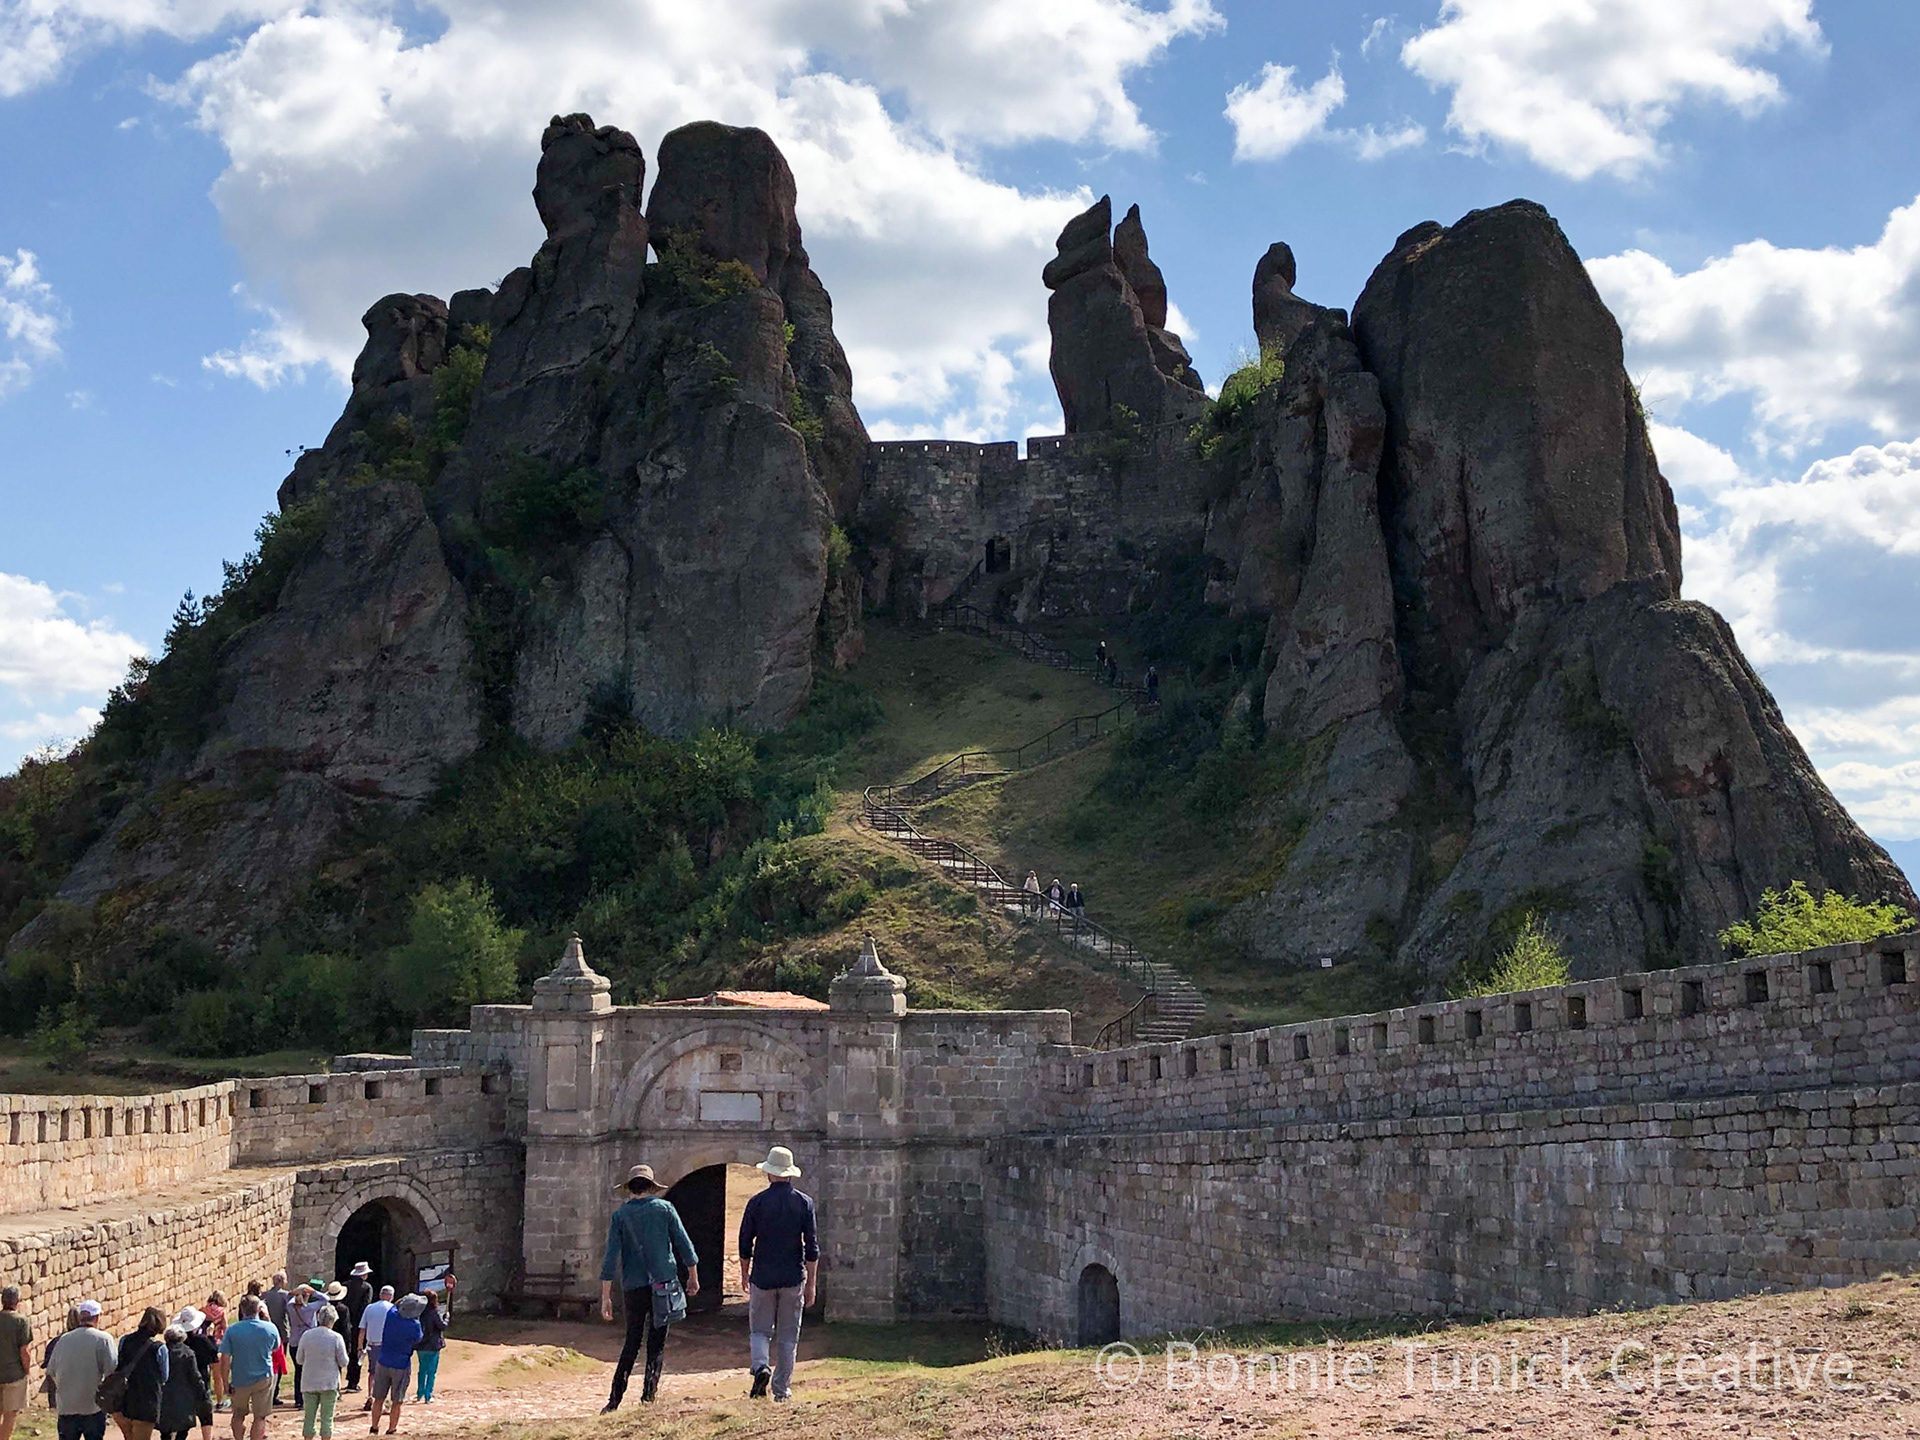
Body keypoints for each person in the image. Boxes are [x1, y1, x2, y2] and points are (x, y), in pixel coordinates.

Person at [598, 1163, 699, 1412]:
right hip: (663, 1284)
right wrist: (693, 1276)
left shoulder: (620, 1216)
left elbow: (611, 1258)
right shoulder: (665, 1209)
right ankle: (648, 1397)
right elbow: (684, 1244)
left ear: (629, 1189)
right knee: (657, 1343)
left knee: (631, 1342)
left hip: (634, 1287)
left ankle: (614, 1399)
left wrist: (605, 1296)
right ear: (652, 1187)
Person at [738, 1145, 819, 1403]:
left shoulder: (757, 1203)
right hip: (792, 1276)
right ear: (790, 1174)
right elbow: (812, 1248)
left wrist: (744, 1273)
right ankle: (782, 1390)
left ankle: (760, 1366)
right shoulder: (804, 1203)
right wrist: (811, 1285)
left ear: (770, 1173)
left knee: (760, 1330)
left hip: (763, 1275)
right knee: (787, 1336)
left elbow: (744, 1242)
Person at [48, 1299, 116, 1440]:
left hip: (67, 1406)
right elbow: (111, 1370)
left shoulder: (63, 1340)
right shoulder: (103, 1339)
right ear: (97, 1317)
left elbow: (52, 1370)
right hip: (93, 1406)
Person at [216, 1295, 277, 1440]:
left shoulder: (232, 1330)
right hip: (263, 1376)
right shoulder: (269, 1328)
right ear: (258, 1309)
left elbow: (225, 1358)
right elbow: (275, 1347)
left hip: (240, 1377)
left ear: (242, 1310)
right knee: (260, 1416)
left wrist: (225, 1383)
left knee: (238, 1414)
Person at [367, 1296, 423, 1437]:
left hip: (383, 1360)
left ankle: (374, 1427)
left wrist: (404, 1300)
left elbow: (395, 1304)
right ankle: (391, 1429)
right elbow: (418, 1339)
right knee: (397, 1401)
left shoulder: (391, 1315)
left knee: (378, 1398)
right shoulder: (414, 1325)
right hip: (401, 1364)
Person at [112, 1306, 169, 1440]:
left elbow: (119, 1364)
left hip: (124, 1400)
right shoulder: (159, 1348)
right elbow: (164, 1376)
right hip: (147, 1402)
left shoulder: (125, 1340)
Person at [292, 1305, 346, 1440]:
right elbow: (343, 1362)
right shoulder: (336, 1337)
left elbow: (299, 1359)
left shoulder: (307, 1335)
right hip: (329, 1383)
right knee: (327, 1418)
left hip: (309, 1381)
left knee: (309, 1417)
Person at [169, 1311, 215, 1440]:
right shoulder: (202, 1341)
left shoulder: (176, 1346)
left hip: (181, 1386)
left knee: (183, 1420)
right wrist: (210, 1336)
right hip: (201, 1381)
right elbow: (214, 1357)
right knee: (205, 1415)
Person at [157, 1324, 207, 1440]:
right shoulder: (188, 1353)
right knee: (183, 1428)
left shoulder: (162, 1352)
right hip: (184, 1395)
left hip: (164, 1395)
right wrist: (202, 1392)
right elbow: (195, 1376)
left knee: (165, 1429)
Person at [354, 1289, 393, 1413]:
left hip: (372, 1344)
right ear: (391, 1297)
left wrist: (360, 1346)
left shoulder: (370, 1308)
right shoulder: (392, 1309)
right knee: (387, 1372)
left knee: (373, 1371)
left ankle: (371, 1395)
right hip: (387, 1344)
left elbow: (362, 1329)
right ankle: (385, 1399)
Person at [0, 1285, 31, 1440]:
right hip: (14, 1375)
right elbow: (24, 1351)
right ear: (17, 1301)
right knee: (10, 1415)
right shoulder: (21, 1321)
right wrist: (26, 1371)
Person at [260, 1277, 291, 1410]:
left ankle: (266, 1393)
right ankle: (274, 1393)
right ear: (282, 1281)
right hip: (281, 1332)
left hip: (265, 1332)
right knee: (278, 1362)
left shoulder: (265, 1295)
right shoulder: (285, 1295)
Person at [341, 1266, 372, 1395]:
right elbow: (365, 1305)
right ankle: (353, 1382)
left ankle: (347, 1379)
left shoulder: (345, 1285)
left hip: (345, 1322)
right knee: (358, 1352)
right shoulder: (366, 1288)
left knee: (346, 1350)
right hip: (359, 1323)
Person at [411, 1295, 445, 1405]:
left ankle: (420, 1393)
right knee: (431, 1371)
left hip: (421, 1345)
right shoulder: (434, 1312)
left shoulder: (419, 1312)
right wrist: (446, 1317)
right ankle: (428, 1395)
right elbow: (442, 1326)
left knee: (422, 1370)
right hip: (433, 1345)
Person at [285, 1286, 313, 1408]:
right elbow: (325, 1299)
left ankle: (298, 1399)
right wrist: (313, 1291)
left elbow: (287, 1298)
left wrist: (294, 1292)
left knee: (298, 1371)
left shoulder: (291, 1308)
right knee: (307, 1371)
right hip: (307, 1342)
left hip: (294, 1342)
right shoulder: (310, 1309)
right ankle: (306, 1397)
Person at [199, 1297, 225, 1414]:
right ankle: (220, 1402)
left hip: (204, 1345)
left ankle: (205, 1400)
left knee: (204, 1374)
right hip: (217, 1345)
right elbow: (225, 1328)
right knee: (217, 1376)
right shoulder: (221, 1312)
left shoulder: (202, 1311)